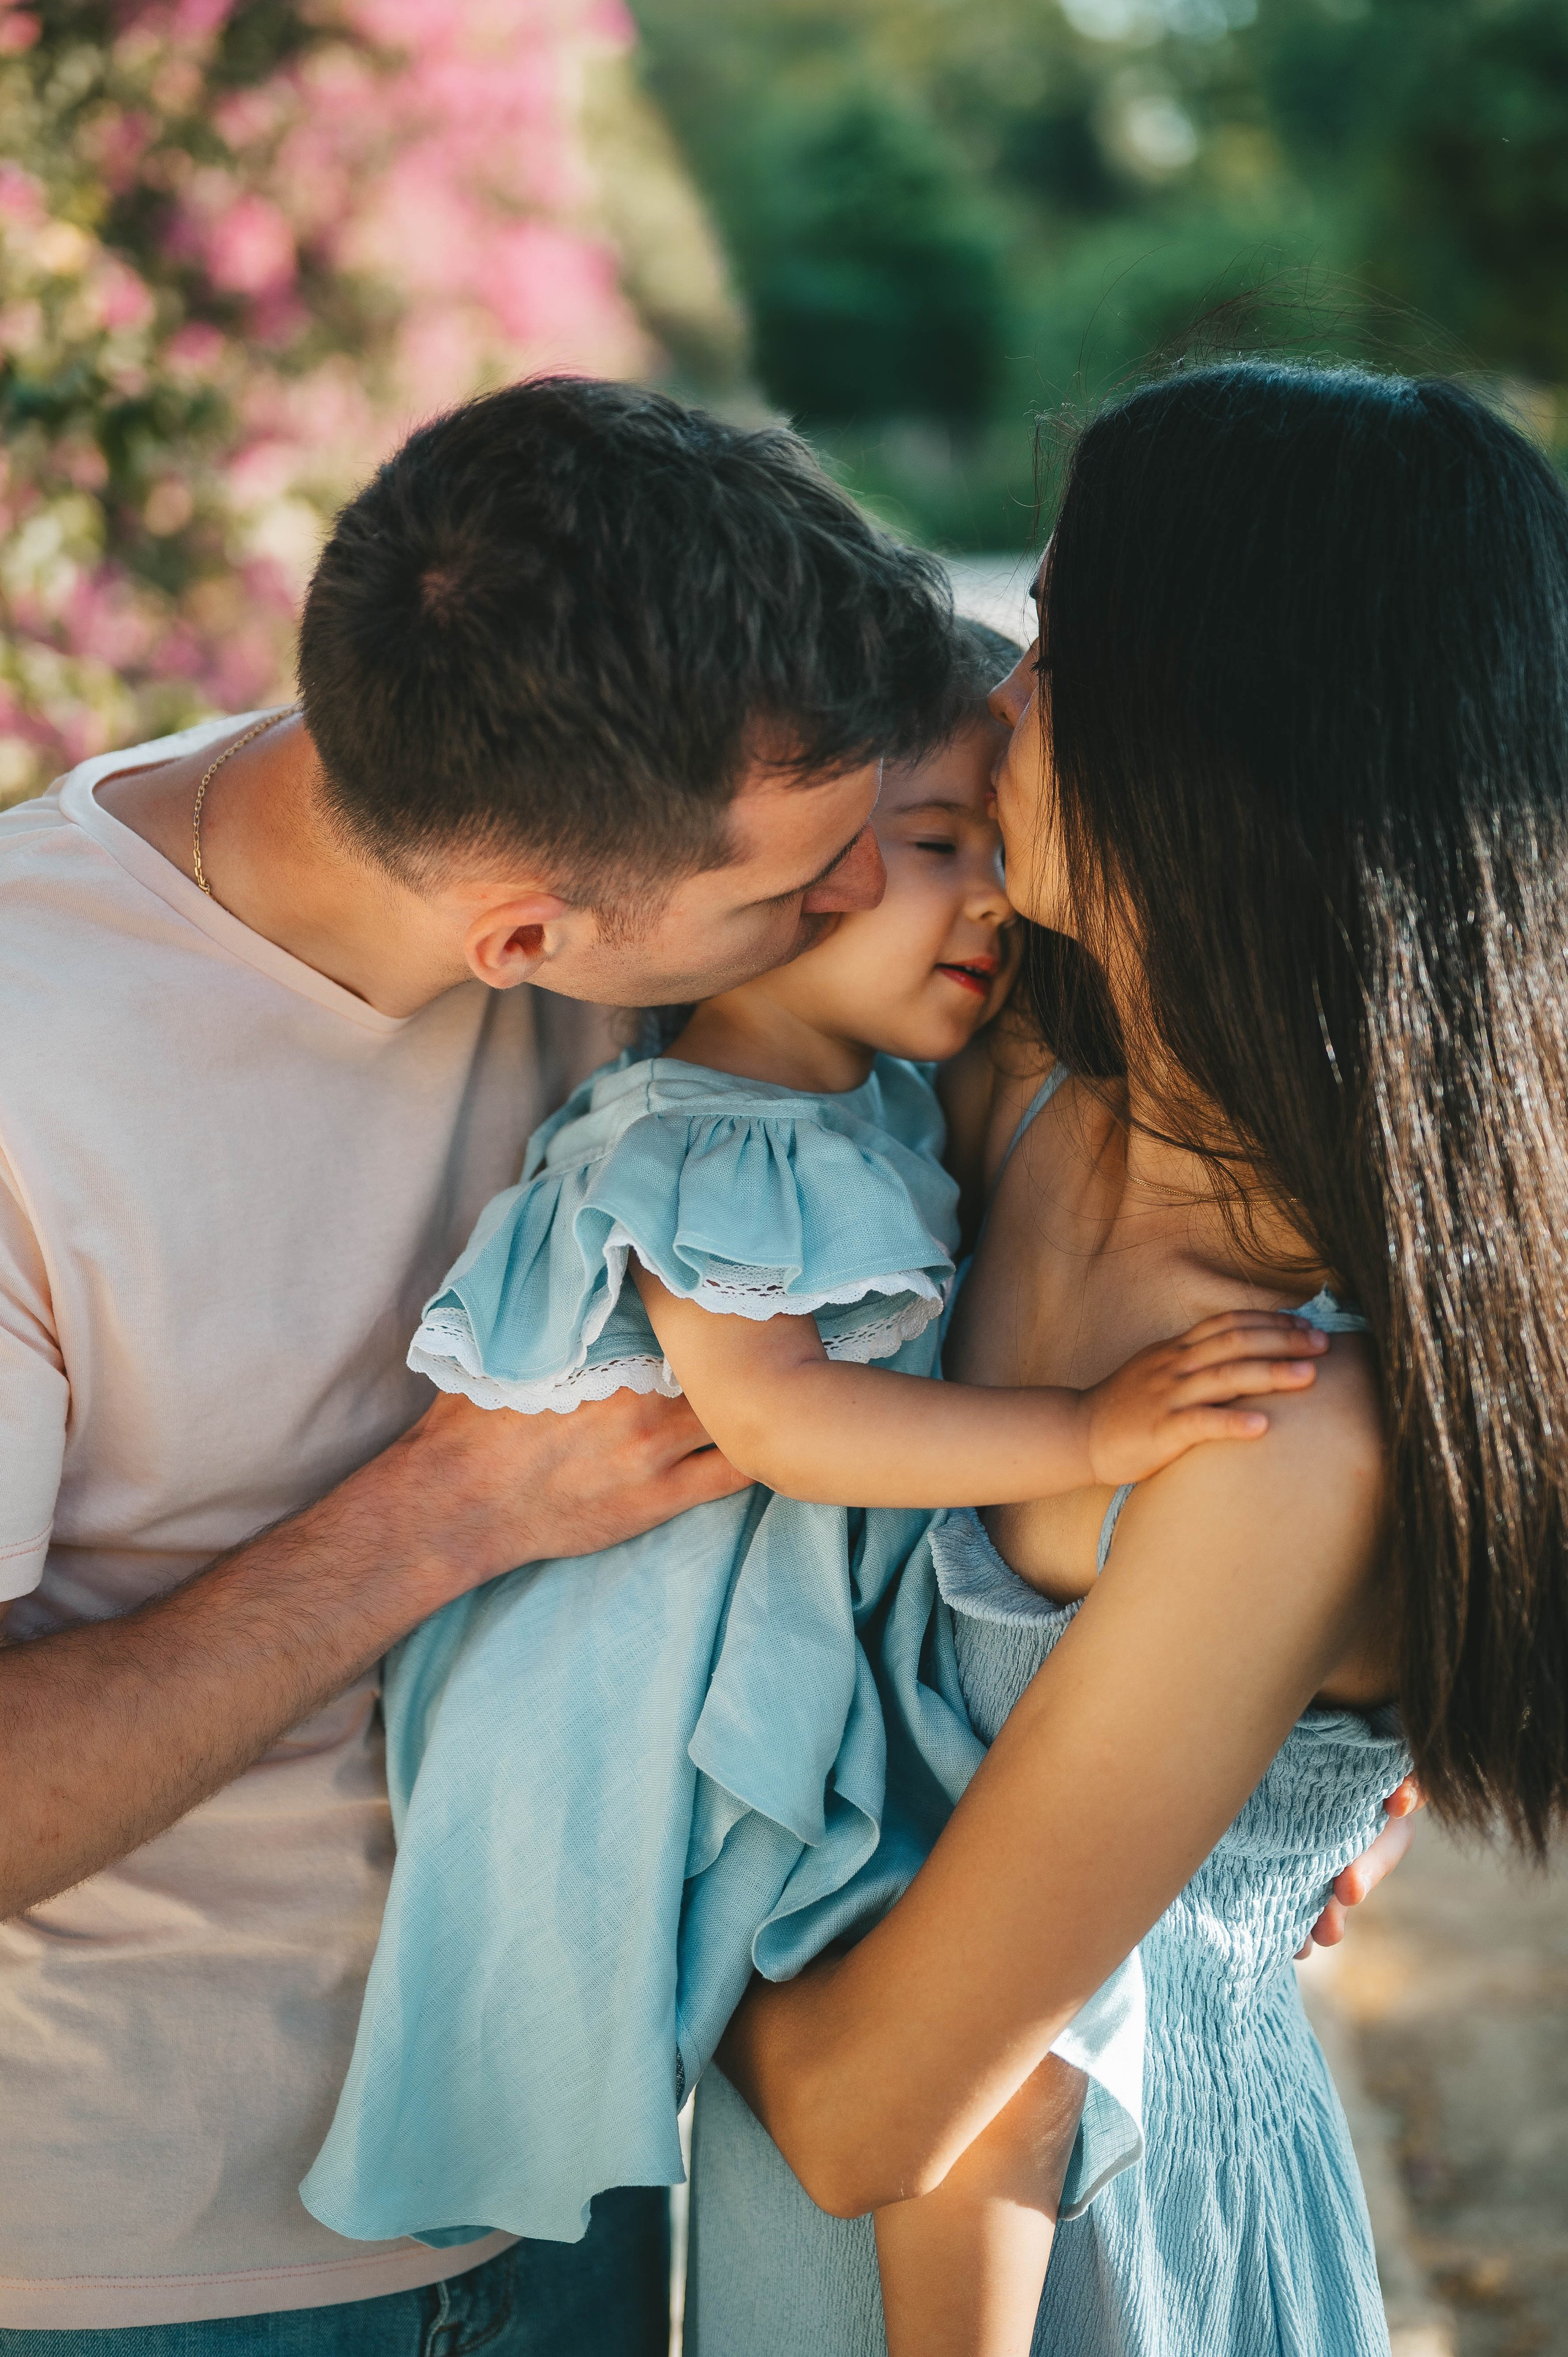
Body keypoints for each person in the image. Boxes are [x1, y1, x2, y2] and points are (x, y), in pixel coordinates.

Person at [0, 375, 966, 2348]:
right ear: (528, 939)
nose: (855, 903)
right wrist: (447, 1512)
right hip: (159, 2270)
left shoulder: (598, 849)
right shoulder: (33, 1076)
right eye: (795, 891)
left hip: (581, 2170)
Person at [687, 358, 1566, 2356]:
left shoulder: (1273, 1424)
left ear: (1225, 744)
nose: (997, 701)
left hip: (1108, 2264)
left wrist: (558, 1923)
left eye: (1059, 648)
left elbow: (861, 2112)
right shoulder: (1022, 1091)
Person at [296, 624, 1325, 2299]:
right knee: (1003, 2063)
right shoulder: (701, 1134)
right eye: (938, 848)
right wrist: (1089, 1428)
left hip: (777, 1653)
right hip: (648, 1689)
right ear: (792, 864)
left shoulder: (890, 1106)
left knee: (1017, 2058)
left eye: (993, 853)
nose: (987, 897)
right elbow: (779, 1417)